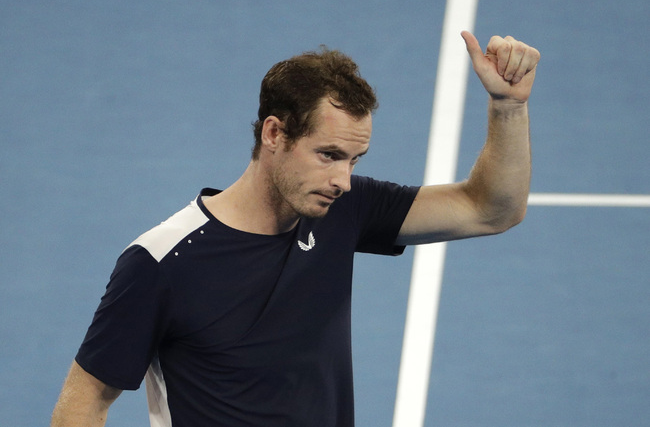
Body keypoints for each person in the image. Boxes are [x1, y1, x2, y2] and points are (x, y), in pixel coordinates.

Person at [51, 31, 540, 426]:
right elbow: (86, 400)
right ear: (274, 133)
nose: (343, 180)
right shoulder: (160, 263)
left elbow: (490, 210)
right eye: (329, 155)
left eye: (354, 159)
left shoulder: (344, 208)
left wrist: (509, 107)